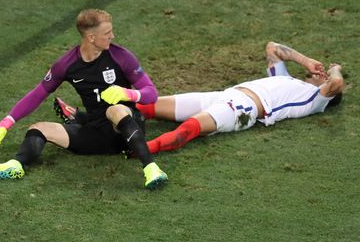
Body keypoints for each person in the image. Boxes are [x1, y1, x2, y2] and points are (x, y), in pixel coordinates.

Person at [0, 9, 168, 189]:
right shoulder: (67, 65)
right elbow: (38, 94)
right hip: (97, 134)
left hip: (126, 130)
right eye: (108, 32)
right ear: (91, 37)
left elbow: (151, 93)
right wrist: (5, 123)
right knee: (38, 128)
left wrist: (129, 94)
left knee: (115, 109)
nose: (113, 36)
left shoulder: (121, 56)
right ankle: (16, 165)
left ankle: (151, 169)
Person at [132, 41, 345, 154]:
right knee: (148, 105)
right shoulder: (285, 79)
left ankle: (141, 150)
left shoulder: (314, 100)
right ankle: (105, 118)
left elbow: (336, 84)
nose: (324, 74)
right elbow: (273, 47)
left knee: (189, 129)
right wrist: (306, 61)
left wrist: (336, 69)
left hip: (242, 110)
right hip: (223, 95)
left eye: (326, 77)